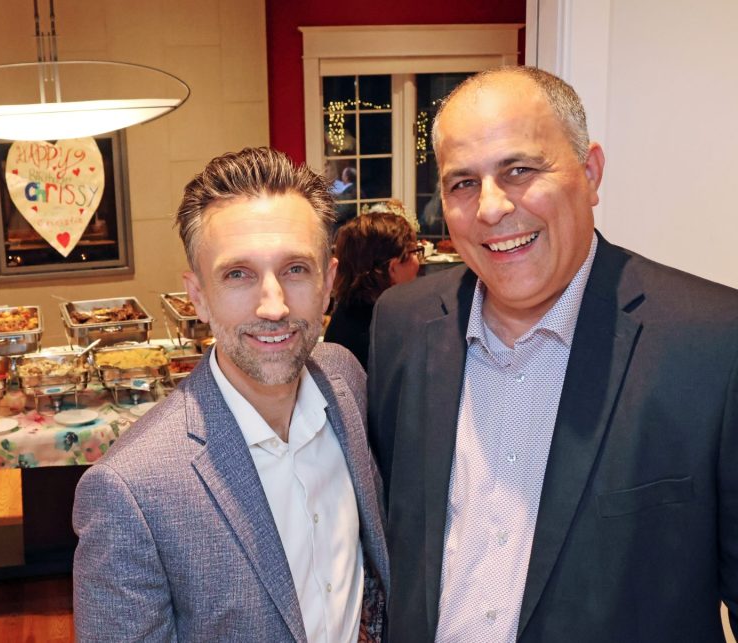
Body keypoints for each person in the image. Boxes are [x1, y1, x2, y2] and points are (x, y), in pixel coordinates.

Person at [368, 66, 738, 642]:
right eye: (463, 183)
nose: (491, 208)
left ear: (590, 173)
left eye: (519, 170)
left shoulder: (714, 342)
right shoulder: (402, 324)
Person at [73, 147, 388, 642]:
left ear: (328, 282)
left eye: (295, 269)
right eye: (238, 274)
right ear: (198, 296)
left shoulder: (344, 377)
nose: (273, 307)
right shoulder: (130, 492)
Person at [325, 201, 421, 368]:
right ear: (393, 268)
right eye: (415, 252)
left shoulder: (345, 315)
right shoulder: (388, 332)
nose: (419, 262)